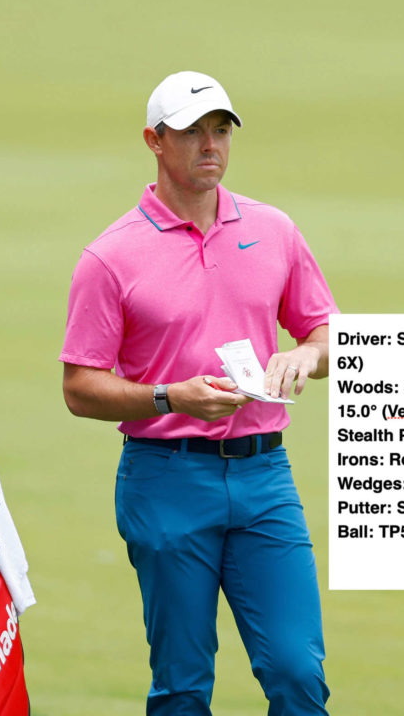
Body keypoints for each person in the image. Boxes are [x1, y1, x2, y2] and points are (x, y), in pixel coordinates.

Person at [60, 70, 336, 715]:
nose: (210, 145)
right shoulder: (110, 257)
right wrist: (169, 398)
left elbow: (325, 330)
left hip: (265, 474)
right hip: (166, 478)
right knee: (183, 684)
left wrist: (307, 353)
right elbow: (79, 387)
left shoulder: (273, 230)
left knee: (298, 672)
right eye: (192, 134)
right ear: (155, 141)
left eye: (220, 130)